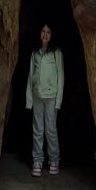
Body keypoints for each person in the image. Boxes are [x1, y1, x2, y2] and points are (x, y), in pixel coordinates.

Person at [25, 23, 64, 177]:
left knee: (51, 130)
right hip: (37, 96)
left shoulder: (56, 52)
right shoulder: (35, 53)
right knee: (37, 130)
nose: (45, 34)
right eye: (43, 31)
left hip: (51, 96)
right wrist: (29, 100)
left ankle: (54, 160)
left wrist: (59, 100)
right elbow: (30, 76)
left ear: (52, 34)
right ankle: (38, 160)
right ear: (39, 33)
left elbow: (61, 76)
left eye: (48, 31)